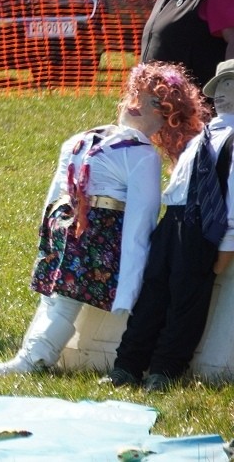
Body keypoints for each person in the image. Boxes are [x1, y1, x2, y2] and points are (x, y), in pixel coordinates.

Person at [0, 62, 206, 376]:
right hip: (68, 228)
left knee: (62, 300)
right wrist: (46, 229)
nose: (138, 104)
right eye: (137, 94)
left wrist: (129, 287)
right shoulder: (87, 137)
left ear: (166, 118)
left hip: (97, 238)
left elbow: (140, 223)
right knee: (52, 296)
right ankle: (29, 356)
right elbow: (58, 187)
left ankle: (33, 360)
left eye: (153, 103)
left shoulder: (142, 156)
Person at [104, 59, 234, 391]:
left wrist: (225, 246)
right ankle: (128, 365)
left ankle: (166, 369)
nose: (222, 94)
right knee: (153, 291)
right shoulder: (204, 134)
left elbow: (232, 193)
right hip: (172, 219)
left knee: (186, 300)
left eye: (231, 86)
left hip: (202, 224)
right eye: (219, 87)